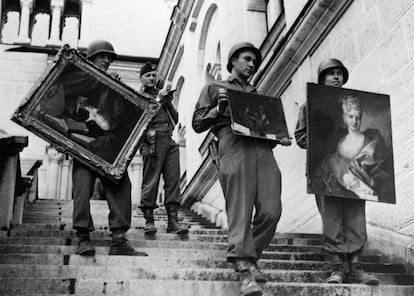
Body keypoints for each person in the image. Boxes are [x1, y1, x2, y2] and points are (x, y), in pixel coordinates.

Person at [192, 42, 290, 296]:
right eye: (247, 59)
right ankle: (244, 269)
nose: (251, 65)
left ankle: (250, 255)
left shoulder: (257, 94)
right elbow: (197, 123)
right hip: (232, 145)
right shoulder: (215, 88)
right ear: (233, 61)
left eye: (254, 62)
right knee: (240, 208)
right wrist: (217, 109)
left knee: (271, 211)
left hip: (262, 149)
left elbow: (266, 126)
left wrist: (279, 135)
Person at [294, 58, 379, 285]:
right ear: (322, 78)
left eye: (339, 73)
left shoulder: (354, 106)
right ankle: (337, 268)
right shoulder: (310, 105)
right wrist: (321, 134)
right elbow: (301, 138)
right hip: (325, 172)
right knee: (332, 219)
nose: (335, 77)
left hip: (353, 170)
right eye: (330, 73)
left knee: (355, 217)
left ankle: (357, 267)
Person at [70, 40, 148, 257]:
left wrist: (116, 91)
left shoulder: (114, 85)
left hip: (108, 146)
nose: (107, 61)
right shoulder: (76, 83)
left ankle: (119, 239)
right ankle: (83, 237)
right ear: (90, 58)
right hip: (83, 144)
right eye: (102, 56)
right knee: (82, 189)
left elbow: (121, 119)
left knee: (121, 185)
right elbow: (69, 111)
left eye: (109, 58)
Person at [138, 62, 189, 235]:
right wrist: (159, 100)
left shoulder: (160, 96)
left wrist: (168, 103)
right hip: (152, 140)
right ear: (141, 79)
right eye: (148, 76)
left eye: (154, 75)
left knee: (173, 179)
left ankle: (172, 221)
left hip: (169, 138)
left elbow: (175, 119)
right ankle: (149, 220)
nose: (152, 78)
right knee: (151, 180)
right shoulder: (138, 96)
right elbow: (142, 116)